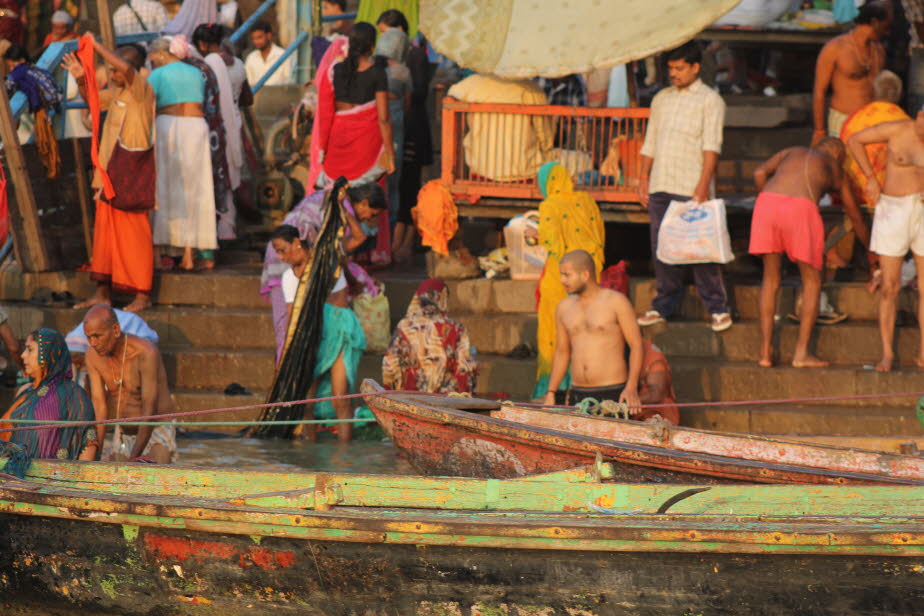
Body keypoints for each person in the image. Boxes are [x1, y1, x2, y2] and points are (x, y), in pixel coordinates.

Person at [750, 138, 871, 368]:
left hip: (767, 203)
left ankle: (765, 352)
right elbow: (855, 216)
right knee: (812, 281)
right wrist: (870, 253)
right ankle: (801, 353)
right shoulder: (833, 165)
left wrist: (767, 200)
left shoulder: (791, 149)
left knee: (771, 278)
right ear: (837, 153)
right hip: (800, 209)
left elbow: (759, 173)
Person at [637, 41, 731, 333]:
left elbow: (711, 146)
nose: (674, 74)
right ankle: (663, 305)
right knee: (661, 248)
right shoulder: (661, 99)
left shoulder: (710, 100)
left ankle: (717, 307)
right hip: (661, 182)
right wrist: (643, 179)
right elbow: (650, 142)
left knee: (701, 248)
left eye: (679, 68)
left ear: (695, 68)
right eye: (671, 69)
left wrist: (703, 185)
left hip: (691, 184)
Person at [62, 39, 155, 313]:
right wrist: (81, 78)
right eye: (110, 71)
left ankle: (142, 294)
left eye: (115, 71)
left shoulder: (142, 91)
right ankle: (102, 293)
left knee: (135, 240)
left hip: (132, 179)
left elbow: (125, 68)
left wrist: (97, 45)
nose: (112, 75)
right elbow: (91, 99)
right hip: (107, 179)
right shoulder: (116, 94)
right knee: (104, 241)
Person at [261, 183, 387, 360]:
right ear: (363, 203)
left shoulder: (333, 199)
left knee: (289, 329)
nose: (369, 219)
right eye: (372, 214)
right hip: (289, 258)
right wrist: (353, 281)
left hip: (282, 257)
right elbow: (336, 252)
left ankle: (288, 377)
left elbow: (350, 242)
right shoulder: (340, 208)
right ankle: (285, 380)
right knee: (289, 331)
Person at [270, 223, 367, 442]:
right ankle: (309, 457)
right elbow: (291, 317)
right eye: (277, 252)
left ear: (297, 244)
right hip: (311, 339)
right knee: (305, 403)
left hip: (339, 331)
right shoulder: (288, 277)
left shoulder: (326, 262)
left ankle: (344, 459)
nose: (281, 257)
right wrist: (287, 354)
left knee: (341, 399)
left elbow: (358, 237)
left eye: (282, 250)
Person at [848, 108, 924, 371]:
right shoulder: (897, 129)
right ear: (919, 117)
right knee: (890, 286)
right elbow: (854, 139)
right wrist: (871, 178)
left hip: (922, 211)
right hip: (893, 208)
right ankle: (888, 354)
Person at [531, 162, 605, 401]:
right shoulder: (587, 200)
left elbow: (553, 242)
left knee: (555, 332)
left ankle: (552, 389)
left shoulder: (549, 205)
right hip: (588, 275)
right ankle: (582, 387)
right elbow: (599, 237)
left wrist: (536, 235)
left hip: (560, 277)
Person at [147, 36, 217, 272]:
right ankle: (188, 255)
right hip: (197, 128)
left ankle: (156, 255)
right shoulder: (196, 72)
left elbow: (146, 105)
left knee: (162, 189)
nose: (152, 62)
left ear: (160, 54)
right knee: (195, 190)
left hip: (169, 126)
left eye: (152, 57)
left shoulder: (158, 74)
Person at [541, 250, 642, 411]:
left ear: (585, 275)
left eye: (567, 275)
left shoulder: (616, 301)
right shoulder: (563, 307)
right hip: (578, 392)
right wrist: (551, 392)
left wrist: (631, 387)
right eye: (561, 275)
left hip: (612, 390)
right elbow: (562, 352)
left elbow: (636, 345)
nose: (562, 280)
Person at [83, 305, 177, 463]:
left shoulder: (145, 353)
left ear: (115, 329)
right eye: (88, 337)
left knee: (155, 475)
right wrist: (96, 454)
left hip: (156, 429)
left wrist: (134, 458)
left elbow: (150, 408)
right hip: (122, 432)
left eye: (97, 336)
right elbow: (99, 406)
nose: (92, 343)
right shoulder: (93, 356)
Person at [376, 9, 432, 262]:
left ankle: (404, 242)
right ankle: (393, 242)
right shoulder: (383, 66)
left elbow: (417, 96)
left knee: (408, 185)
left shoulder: (412, 59)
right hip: (393, 129)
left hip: (409, 129)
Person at [0, 329, 98, 461]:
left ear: (47, 354)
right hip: (14, 476)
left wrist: (80, 480)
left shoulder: (75, 395)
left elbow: (88, 442)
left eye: (30, 349)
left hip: (53, 478)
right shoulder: (25, 391)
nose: (23, 355)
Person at [317, 22, 395, 187]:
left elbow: (325, 114)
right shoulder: (378, 73)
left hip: (337, 142)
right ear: (372, 47)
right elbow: (384, 119)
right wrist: (390, 154)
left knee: (338, 199)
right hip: (366, 147)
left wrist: (323, 149)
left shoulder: (333, 70)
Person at [447, 73, 552, 182]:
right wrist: (547, 148)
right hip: (524, 174)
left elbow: (450, 98)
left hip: (481, 171)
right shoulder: (532, 89)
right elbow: (546, 135)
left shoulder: (471, 83)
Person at [813, 1, 892, 142]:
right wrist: (819, 131)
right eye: (886, 27)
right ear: (874, 22)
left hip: (870, 121)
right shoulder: (836, 47)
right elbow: (819, 91)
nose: (888, 32)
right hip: (842, 119)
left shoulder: (879, 50)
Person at [193, 23, 244, 242]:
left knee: (219, 173)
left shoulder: (210, 63)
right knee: (227, 172)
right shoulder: (237, 63)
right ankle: (227, 226)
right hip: (234, 120)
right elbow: (247, 96)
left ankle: (222, 228)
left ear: (203, 44)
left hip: (219, 123)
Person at [382, 279, 477, 394]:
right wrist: (467, 395)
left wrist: (390, 391)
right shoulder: (455, 329)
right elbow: (466, 367)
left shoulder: (404, 326)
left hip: (410, 399)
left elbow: (390, 364)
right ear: (442, 299)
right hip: (446, 403)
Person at [841, 70, 909, 206]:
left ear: (872, 92)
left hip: (852, 195)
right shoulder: (904, 122)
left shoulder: (853, 118)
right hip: (885, 197)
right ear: (901, 94)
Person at [375, 28, 411, 234]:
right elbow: (407, 104)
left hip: (373, 131)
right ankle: (388, 232)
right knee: (392, 182)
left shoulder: (370, 67)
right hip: (394, 131)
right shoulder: (403, 71)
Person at [244, 21, 294, 87]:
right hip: (258, 96)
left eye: (259, 37)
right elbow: (249, 82)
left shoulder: (283, 55)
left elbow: (289, 81)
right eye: (254, 38)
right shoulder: (251, 58)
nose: (256, 42)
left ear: (269, 36)